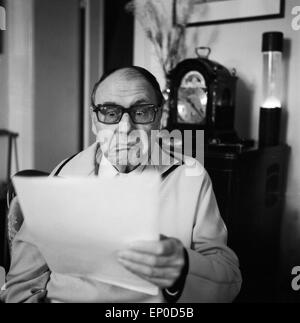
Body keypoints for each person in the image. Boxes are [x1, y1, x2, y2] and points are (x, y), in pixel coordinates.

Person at [0, 66, 242, 303]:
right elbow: (23, 282)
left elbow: (228, 280)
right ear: (94, 120)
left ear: (158, 118)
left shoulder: (191, 177)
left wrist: (182, 267)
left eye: (141, 112)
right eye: (110, 112)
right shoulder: (63, 174)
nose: (126, 128)